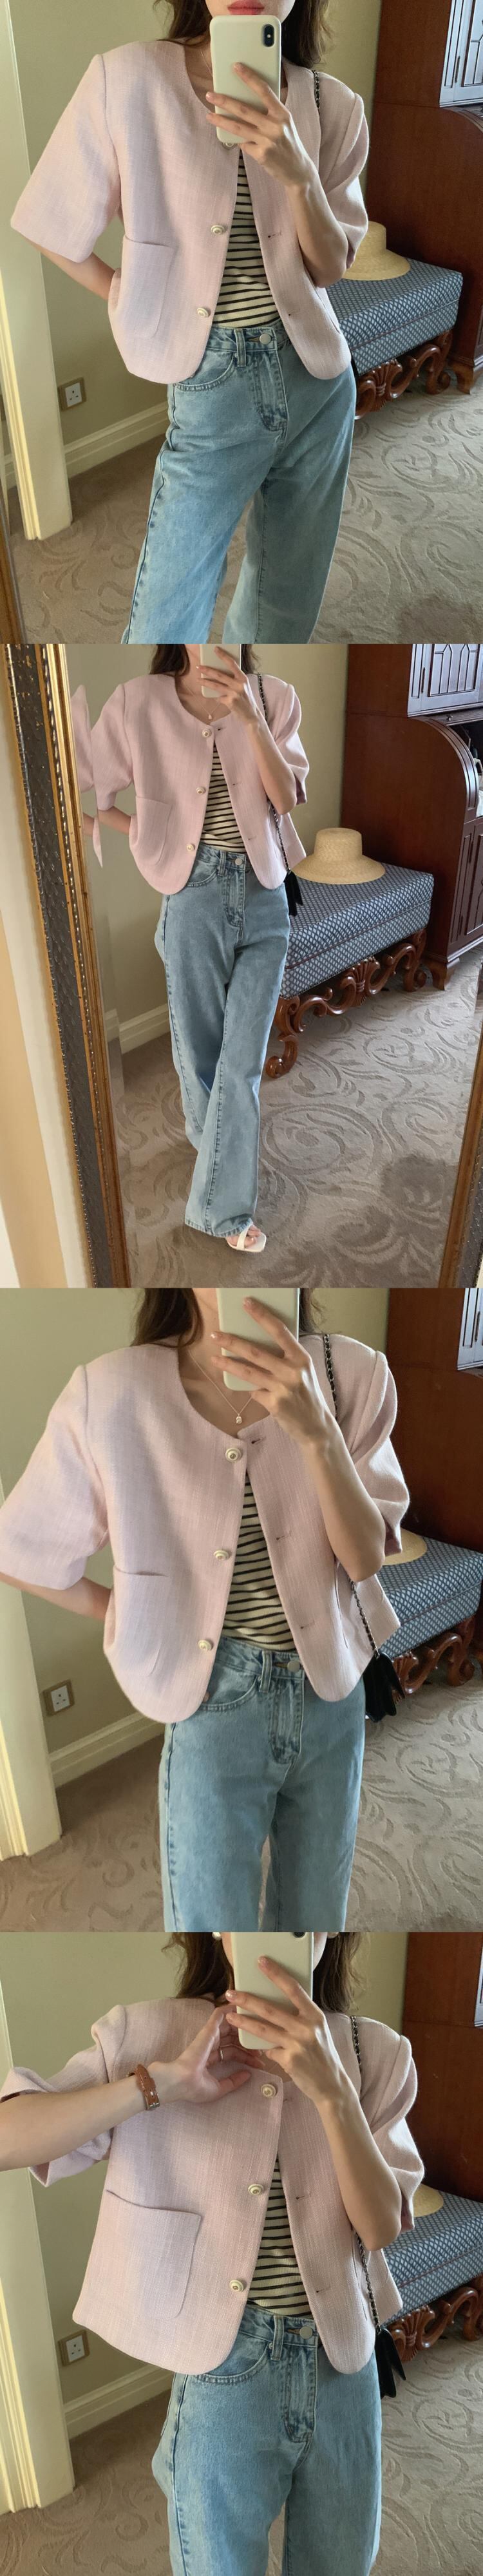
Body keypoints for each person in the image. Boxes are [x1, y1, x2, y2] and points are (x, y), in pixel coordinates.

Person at [0, 1933, 424, 2576]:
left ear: (330, 1927)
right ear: (216, 1926)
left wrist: (334, 2092)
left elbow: (381, 2227)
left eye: (300, 1913)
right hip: (225, 2366)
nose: (271, 1924)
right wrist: (159, 2084)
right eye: (244, 1911)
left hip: (345, 2362)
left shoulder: (376, 2050)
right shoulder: (148, 2033)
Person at [0, 1292, 409, 1928]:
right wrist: (132, 1614)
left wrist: (317, 1432)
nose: (234, 1279)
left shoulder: (351, 1373)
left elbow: (364, 1559)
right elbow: (21, 1552)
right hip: (212, 1705)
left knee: (314, 1921)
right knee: (211, 1924)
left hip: (333, 1695)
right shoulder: (112, 1394)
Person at [11, 4, 368, 642]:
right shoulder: (128, 81)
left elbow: (329, 267)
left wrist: (299, 176)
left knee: (286, 605)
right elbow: (51, 221)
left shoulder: (334, 104)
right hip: (212, 390)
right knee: (166, 617)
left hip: (319, 383)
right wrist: (126, 293)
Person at [80, 644, 308, 1251]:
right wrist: (142, 835)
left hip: (265, 896)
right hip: (194, 898)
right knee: (201, 1054)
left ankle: (223, 1210)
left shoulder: (275, 697)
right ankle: (214, 1151)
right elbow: (82, 780)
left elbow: (286, 799)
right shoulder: (138, 703)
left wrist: (250, 716)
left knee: (242, 1062)